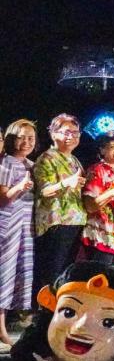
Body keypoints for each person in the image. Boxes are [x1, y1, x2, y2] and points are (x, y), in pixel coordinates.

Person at [32, 114, 85, 289]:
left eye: (75, 133)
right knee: (52, 274)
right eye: (66, 132)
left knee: (66, 274)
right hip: (56, 224)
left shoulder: (74, 160)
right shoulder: (46, 158)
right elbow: (44, 190)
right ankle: (46, 306)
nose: (71, 136)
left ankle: (61, 305)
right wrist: (67, 182)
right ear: (53, 134)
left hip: (75, 222)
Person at [0, 119, 37, 344]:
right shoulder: (6, 163)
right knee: (3, 275)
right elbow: (3, 198)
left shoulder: (31, 165)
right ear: (12, 139)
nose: (26, 142)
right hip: (7, 227)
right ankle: (1, 330)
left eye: (31, 138)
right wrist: (19, 187)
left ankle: (16, 324)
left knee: (18, 276)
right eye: (22, 137)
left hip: (26, 228)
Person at [81, 132, 114, 266]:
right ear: (102, 150)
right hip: (101, 237)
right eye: (113, 147)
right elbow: (90, 206)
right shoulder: (97, 170)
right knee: (99, 276)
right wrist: (112, 193)